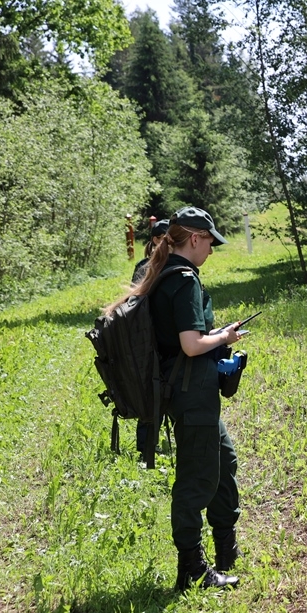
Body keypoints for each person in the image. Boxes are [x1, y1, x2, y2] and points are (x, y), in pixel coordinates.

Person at [106, 206, 244, 591]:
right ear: (195, 239)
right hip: (191, 392)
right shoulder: (183, 280)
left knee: (223, 460)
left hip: (185, 388)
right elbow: (190, 343)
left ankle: (225, 550)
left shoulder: (163, 273)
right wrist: (225, 337)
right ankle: (192, 568)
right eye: (210, 243)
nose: (212, 250)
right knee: (195, 479)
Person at [132, 218, 169, 456]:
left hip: (167, 336)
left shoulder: (173, 263)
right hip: (147, 337)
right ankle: (145, 450)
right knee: (150, 392)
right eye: (165, 236)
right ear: (155, 239)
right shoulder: (144, 266)